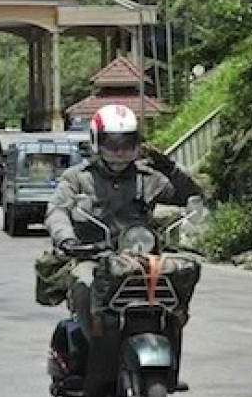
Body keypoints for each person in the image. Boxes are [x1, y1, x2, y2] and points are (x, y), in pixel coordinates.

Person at [46, 104, 187, 335]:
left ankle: (174, 326)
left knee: (184, 272)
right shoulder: (77, 178)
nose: (120, 151)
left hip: (144, 257)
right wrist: (67, 239)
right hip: (93, 256)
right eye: (112, 144)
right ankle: (94, 344)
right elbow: (57, 210)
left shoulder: (149, 178)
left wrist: (172, 170)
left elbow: (191, 197)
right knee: (84, 284)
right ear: (96, 141)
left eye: (127, 143)